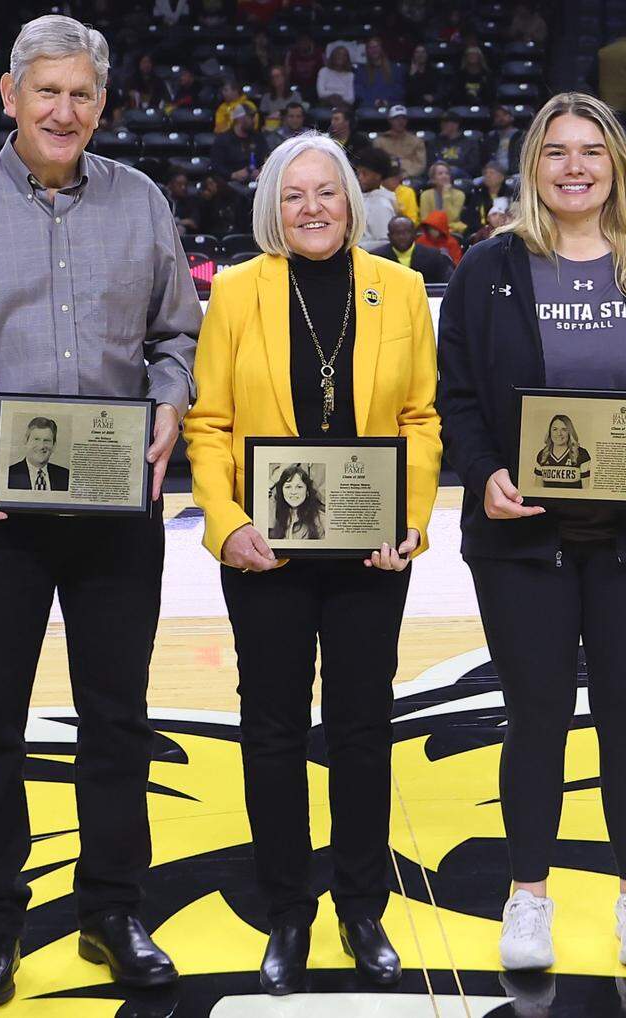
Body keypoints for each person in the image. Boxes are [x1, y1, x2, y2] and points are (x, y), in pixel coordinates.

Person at [0, 15, 201, 1008]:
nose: (65, 110)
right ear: (10, 96)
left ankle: (113, 906)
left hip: (114, 509)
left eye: (83, 95)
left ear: (104, 105)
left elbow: (174, 335)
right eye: (46, 91)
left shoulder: (142, 203)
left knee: (117, 717)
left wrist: (171, 404)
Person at [437, 91, 626, 974]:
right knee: (534, 718)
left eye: (591, 152)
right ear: (534, 166)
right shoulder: (490, 268)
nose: (575, 167)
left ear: (617, 167)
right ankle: (528, 897)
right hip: (522, 540)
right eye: (557, 151)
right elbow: (456, 395)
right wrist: (484, 472)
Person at [181, 132, 441, 996]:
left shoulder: (399, 290)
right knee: (273, 730)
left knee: (365, 728)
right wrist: (225, 525)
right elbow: (209, 424)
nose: (314, 208)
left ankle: (362, 907)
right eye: (294, 195)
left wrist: (407, 521)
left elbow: (420, 419)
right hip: (267, 550)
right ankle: (287, 909)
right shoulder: (238, 294)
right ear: (272, 207)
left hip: (370, 550)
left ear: (353, 202)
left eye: (327, 192)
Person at [372, 215, 454, 283]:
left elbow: (444, 286)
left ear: (415, 234)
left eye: (406, 232)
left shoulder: (434, 256)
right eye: (397, 233)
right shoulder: (376, 258)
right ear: (389, 236)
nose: (401, 237)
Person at [7, 417, 70, 491]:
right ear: (26, 441)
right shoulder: (9, 475)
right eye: (36, 439)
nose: (41, 446)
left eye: (47, 440)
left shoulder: (66, 476)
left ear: (54, 445)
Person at [211, 105, 269, 183]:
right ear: (240, 118)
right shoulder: (223, 140)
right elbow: (216, 165)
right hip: (232, 182)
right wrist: (232, 175)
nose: (254, 121)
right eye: (251, 117)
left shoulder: (258, 138)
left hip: (256, 181)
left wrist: (260, 171)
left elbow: (266, 158)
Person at [356, 147, 401, 245]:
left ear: (378, 175)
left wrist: (354, 248)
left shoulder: (381, 205)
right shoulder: (362, 196)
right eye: (358, 173)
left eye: (364, 173)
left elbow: (384, 243)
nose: (359, 177)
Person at [267, 463, 326, 539]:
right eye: (288, 487)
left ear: (307, 491)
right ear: (281, 491)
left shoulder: (321, 521)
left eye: (299, 487)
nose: (293, 492)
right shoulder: (274, 518)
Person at [534, 415, 591, 488]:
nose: (559, 433)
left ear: (569, 432)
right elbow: (538, 489)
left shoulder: (582, 454)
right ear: (550, 432)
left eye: (564, 429)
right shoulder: (542, 455)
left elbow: (586, 490)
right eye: (555, 429)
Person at [376, 104, 427, 179]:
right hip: (387, 178)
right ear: (390, 120)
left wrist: (405, 175)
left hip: (411, 178)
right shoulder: (379, 141)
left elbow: (420, 165)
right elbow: (377, 163)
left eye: (403, 118)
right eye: (396, 118)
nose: (400, 121)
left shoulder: (417, 141)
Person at [355, 36, 406, 108]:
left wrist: (386, 101)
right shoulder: (361, 70)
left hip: (391, 104)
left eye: (376, 47)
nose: (374, 50)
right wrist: (375, 102)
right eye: (370, 47)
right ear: (367, 51)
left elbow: (399, 89)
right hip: (370, 106)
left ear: (381, 48)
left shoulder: (395, 68)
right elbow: (359, 90)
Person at [419, 161, 467, 236]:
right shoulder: (425, 195)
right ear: (433, 178)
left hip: (452, 232)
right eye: (440, 174)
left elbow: (451, 218)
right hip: (431, 231)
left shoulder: (459, 195)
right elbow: (425, 219)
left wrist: (446, 195)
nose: (444, 176)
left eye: (447, 173)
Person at [433, 111, 481, 179]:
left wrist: (454, 170)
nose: (443, 125)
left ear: (455, 125)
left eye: (446, 123)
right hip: (439, 174)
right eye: (442, 123)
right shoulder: (435, 142)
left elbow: (473, 166)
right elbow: (431, 163)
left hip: (462, 176)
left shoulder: (470, 143)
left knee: (453, 171)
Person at [260, 64, 307, 132]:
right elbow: (264, 117)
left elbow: (298, 115)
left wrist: (280, 113)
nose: (275, 79)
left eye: (277, 76)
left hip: (292, 129)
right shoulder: (266, 98)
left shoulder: (295, 96)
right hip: (272, 129)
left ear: (284, 77)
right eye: (272, 77)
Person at [482, 104, 524, 175]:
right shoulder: (490, 137)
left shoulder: (521, 135)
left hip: (515, 173)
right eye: (497, 116)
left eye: (504, 115)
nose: (501, 118)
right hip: (493, 172)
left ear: (512, 117)